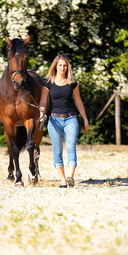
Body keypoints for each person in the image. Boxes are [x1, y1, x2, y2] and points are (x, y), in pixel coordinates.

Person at [39, 54, 89, 187]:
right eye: (60, 65)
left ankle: (71, 177)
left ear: (68, 67)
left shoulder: (72, 83)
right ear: (55, 66)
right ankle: (63, 180)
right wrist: (42, 113)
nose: (62, 68)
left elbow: (78, 101)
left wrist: (85, 118)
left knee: (71, 147)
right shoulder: (48, 83)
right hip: (54, 120)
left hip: (71, 118)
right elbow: (43, 101)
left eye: (65, 65)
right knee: (57, 151)